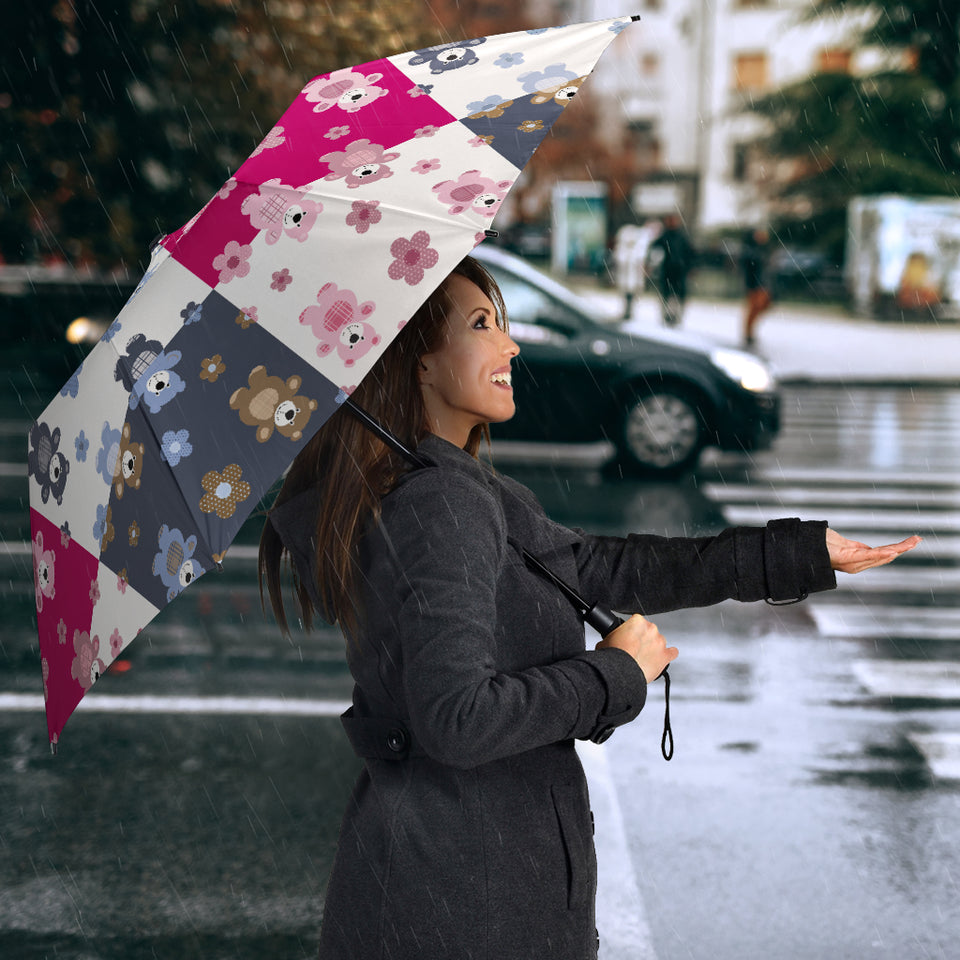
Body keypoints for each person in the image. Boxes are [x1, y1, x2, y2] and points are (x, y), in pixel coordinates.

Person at [259, 256, 919, 960]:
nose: (510, 345)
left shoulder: (452, 488)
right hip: (466, 903)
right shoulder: (439, 504)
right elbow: (457, 720)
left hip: (453, 883)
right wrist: (613, 673)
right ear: (417, 363)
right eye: (482, 325)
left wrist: (796, 554)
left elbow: (603, 567)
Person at [648, 213, 695, 327]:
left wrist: (690, 267)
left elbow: (690, 253)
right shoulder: (665, 236)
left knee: (677, 295)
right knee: (667, 294)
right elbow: (654, 249)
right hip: (668, 270)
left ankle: (675, 316)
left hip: (679, 271)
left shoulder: (681, 237)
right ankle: (667, 315)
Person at [741, 226, 772, 347]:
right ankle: (748, 333)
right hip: (754, 284)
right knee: (754, 308)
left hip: (763, 283)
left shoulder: (763, 249)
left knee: (762, 306)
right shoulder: (750, 250)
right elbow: (750, 265)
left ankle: (750, 331)